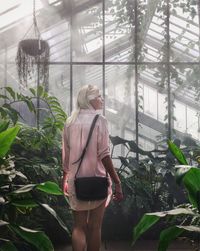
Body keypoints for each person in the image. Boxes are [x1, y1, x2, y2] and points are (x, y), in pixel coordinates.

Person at [62, 84, 123, 251]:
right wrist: (117, 181)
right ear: (89, 100)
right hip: (98, 180)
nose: (102, 100)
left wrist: (64, 179)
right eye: (99, 97)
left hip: (76, 181)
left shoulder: (69, 122)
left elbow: (66, 155)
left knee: (78, 227)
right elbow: (104, 154)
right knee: (95, 227)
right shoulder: (100, 120)